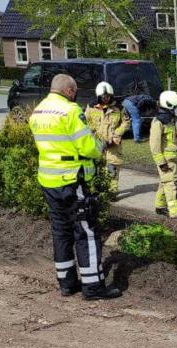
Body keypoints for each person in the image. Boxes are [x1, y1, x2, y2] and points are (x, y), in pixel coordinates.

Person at [28, 74, 121, 300]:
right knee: (86, 232)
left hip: (48, 180)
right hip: (71, 180)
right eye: (75, 91)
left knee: (61, 231)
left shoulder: (38, 111)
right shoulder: (70, 111)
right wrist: (99, 146)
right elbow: (87, 147)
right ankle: (93, 288)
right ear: (69, 91)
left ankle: (67, 284)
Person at [85, 82, 129, 199]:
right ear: (98, 96)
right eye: (104, 97)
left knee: (112, 167)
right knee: (96, 167)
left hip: (113, 144)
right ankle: (97, 191)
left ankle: (112, 192)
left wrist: (116, 135)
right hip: (97, 143)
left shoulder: (119, 108)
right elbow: (86, 123)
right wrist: (92, 136)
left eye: (108, 96)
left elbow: (126, 122)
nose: (106, 99)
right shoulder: (91, 107)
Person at [150, 90, 177, 218]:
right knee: (172, 185)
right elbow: (154, 146)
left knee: (165, 182)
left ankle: (160, 207)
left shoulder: (170, 122)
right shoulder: (158, 123)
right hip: (166, 161)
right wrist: (161, 163)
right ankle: (176, 213)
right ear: (169, 106)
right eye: (176, 107)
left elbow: (175, 142)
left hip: (174, 159)